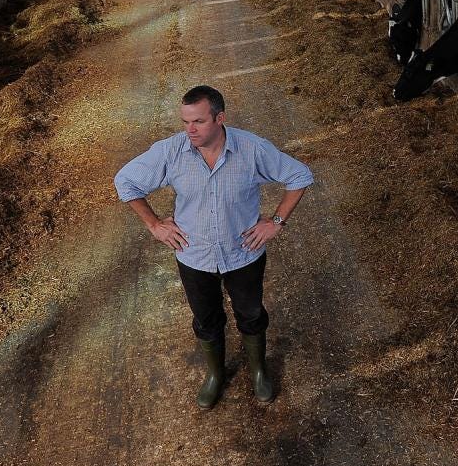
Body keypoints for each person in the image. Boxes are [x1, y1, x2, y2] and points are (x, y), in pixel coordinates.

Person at [114, 85, 313, 409]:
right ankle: (216, 374)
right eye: (184, 121)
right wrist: (154, 224)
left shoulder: (252, 149)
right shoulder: (171, 151)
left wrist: (275, 223)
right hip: (194, 255)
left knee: (250, 314)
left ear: (220, 118)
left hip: (243, 253)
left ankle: (259, 371)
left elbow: (300, 176)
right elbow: (125, 180)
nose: (189, 130)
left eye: (198, 122)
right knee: (206, 319)